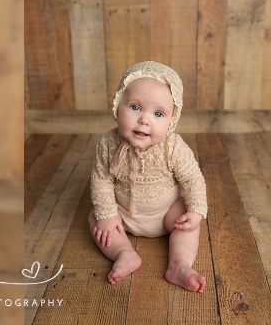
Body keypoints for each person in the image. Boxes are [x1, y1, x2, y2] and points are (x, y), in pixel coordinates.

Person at [88, 61, 207, 291]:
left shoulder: (173, 148)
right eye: (135, 107)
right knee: (96, 216)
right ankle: (124, 253)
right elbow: (100, 178)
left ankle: (179, 265)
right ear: (118, 105)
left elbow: (193, 179)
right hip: (122, 215)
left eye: (158, 113)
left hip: (166, 213)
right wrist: (107, 214)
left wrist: (196, 211)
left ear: (171, 121)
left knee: (188, 219)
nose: (144, 119)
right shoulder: (108, 144)